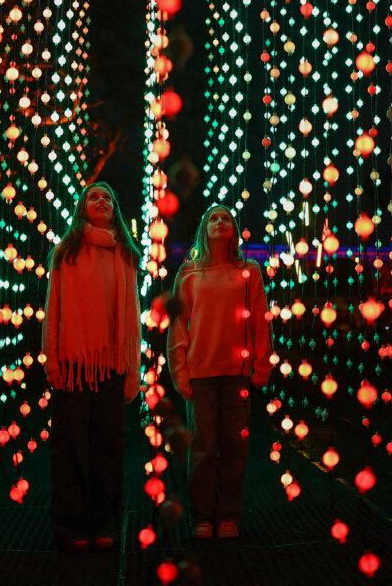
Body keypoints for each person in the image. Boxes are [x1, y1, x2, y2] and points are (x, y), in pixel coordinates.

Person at [41, 182, 141, 552]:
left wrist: (133, 369)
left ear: (115, 209)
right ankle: (71, 527)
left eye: (107, 197)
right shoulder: (65, 252)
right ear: (82, 208)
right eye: (93, 197)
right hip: (73, 366)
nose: (101, 201)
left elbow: (132, 317)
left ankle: (105, 524)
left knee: (108, 448)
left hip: (111, 365)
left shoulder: (125, 254)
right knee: (70, 448)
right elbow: (53, 309)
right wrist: (52, 359)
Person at [167, 205, 271, 539]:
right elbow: (178, 326)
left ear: (234, 230)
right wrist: (179, 371)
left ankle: (228, 515)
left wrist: (262, 364)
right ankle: (202, 516)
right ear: (204, 229)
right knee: (203, 448)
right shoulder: (189, 273)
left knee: (234, 447)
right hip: (201, 372)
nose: (220, 221)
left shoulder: (248, 271)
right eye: (213, 217)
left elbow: (260, 320)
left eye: (226, 218)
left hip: (237, 372)